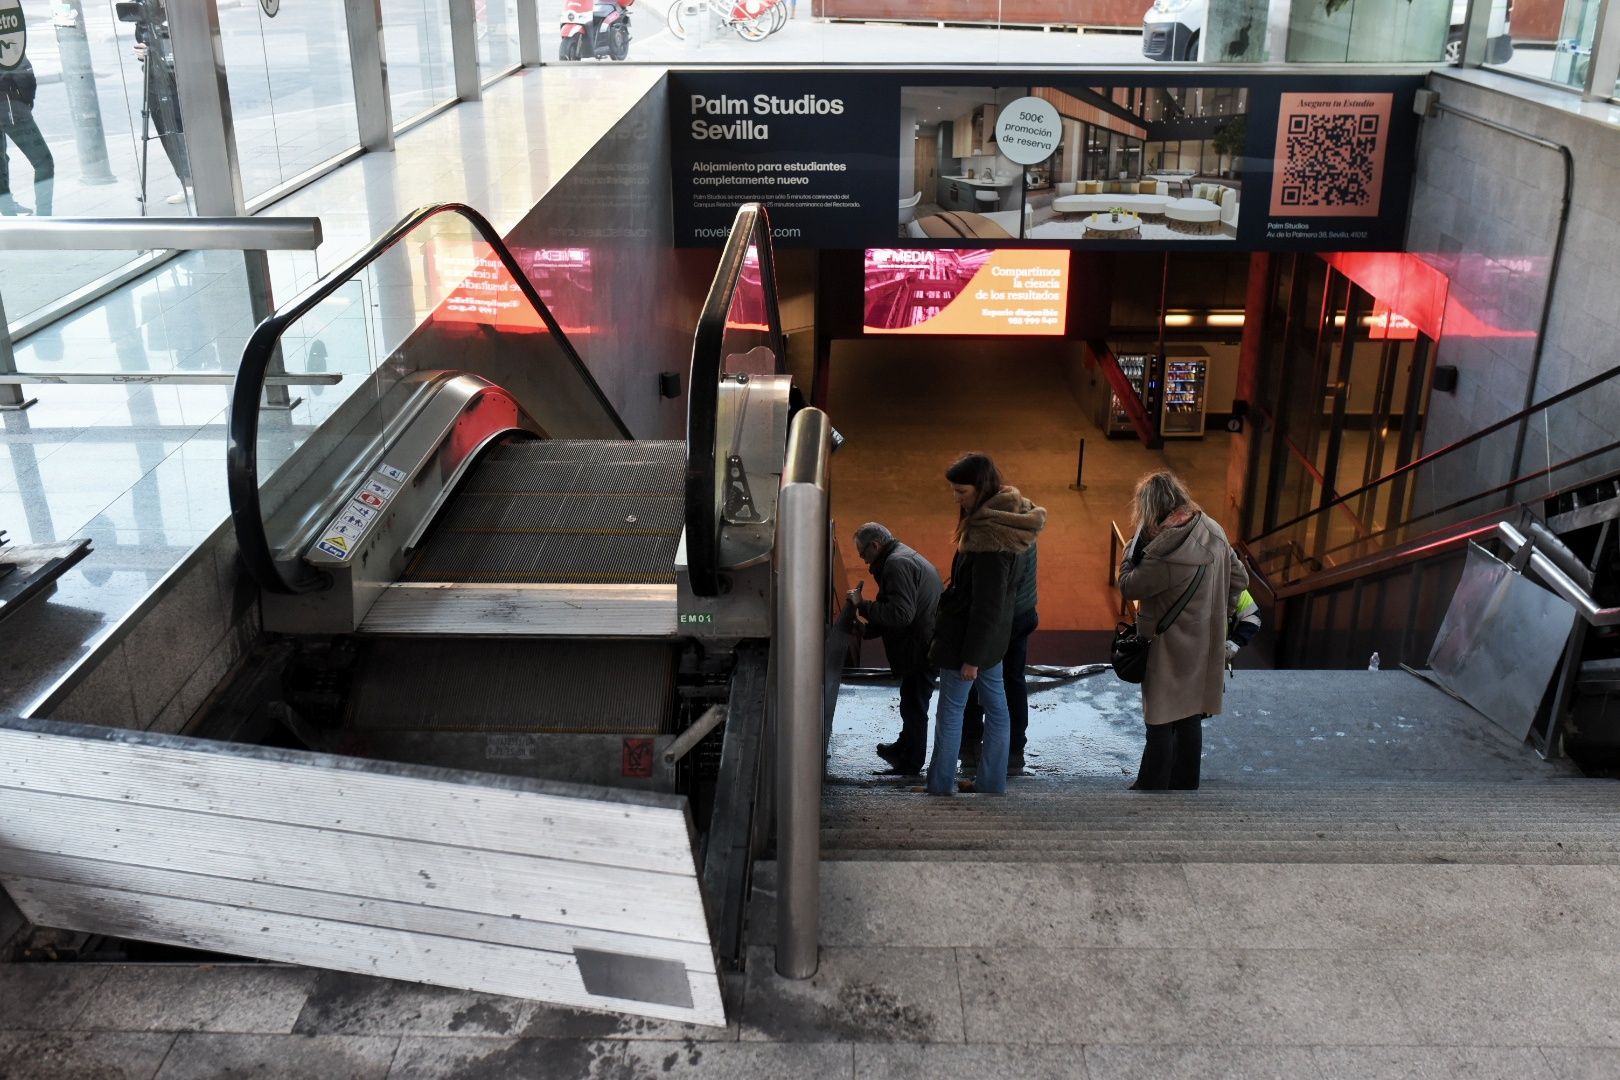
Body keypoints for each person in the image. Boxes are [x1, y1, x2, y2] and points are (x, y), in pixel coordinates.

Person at [1117, 471, 1248, 791]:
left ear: (1149, 509)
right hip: (1206, 642)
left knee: (1160, 719)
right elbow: (1240, 580)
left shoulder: (1163, 553)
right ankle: (1186, 782)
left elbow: (1128, 585)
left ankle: (1152, 786)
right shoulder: (1212, 528)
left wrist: (1130, 550)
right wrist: (1219, 611)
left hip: (1167, 644)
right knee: (1190, 713)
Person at [921, 453, 1042, 796]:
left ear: (981, 489)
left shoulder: (988, 540)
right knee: (998, 708)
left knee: (950, 713)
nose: (956, 499)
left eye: (961, 492)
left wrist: (971, 658)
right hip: (992, 642)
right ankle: (991, 784)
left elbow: (986, 605)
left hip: (968, 644)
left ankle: (941, 785)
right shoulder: (1010, 520)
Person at [848, 522, 941, 777]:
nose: (864, 562)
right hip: (924, 642)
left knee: (915, 705)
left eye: (862, 554)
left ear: (875, 546)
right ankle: (903, 747)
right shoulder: (900, 556)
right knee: (910, 700)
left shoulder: (895, 564)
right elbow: (895, 608)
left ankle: (911, 764)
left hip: (921, 648)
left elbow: (901, 615)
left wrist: (862, 605)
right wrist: (866, 630)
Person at [960, 497, 1043, 775]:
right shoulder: (1025, 523)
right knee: (1013, 680)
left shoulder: (999, 531)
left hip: (1004, 618)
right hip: (1023, 613)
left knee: (976, 679)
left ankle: (974, 745)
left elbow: (994, 590)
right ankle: (1013, 749)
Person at [0, 57, 54, 217]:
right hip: (10, 107)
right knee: (44, 162)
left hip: (9, 106)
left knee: (1, 161)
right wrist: (25, 102)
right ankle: (45, 215)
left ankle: (8, 211)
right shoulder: (6, 33)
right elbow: (23, 72)